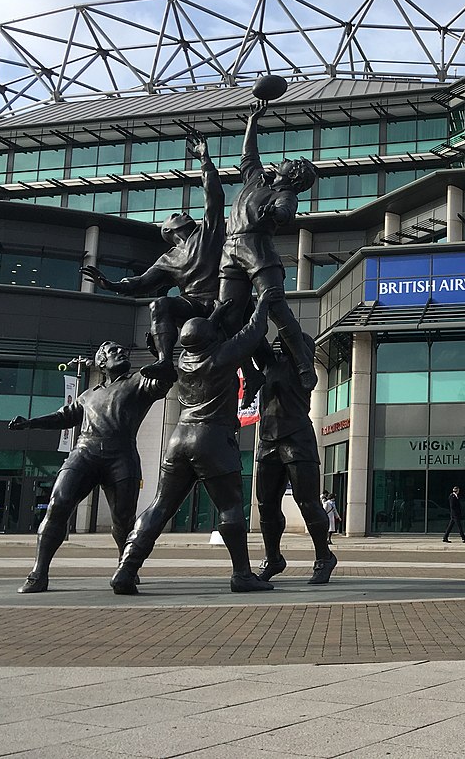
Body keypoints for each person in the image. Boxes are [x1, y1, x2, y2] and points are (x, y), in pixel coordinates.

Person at [110, 296, 274, 595]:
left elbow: (200, 334)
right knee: (230, 507)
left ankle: (126, 569)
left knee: (159, 506)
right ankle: (242, 574)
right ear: (213, 338)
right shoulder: (222, 355)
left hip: (179, 437)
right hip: (211, 438)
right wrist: (263, 302)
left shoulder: (183, 360)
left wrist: (217, 313)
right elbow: (255, 329)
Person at [8, 342, 171, 593]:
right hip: (85, 452)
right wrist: (31, 423)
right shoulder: (87, 395)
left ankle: (125, 567)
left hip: (122, 454)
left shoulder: (139, 381)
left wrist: (162, 356)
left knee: (123, 520)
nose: (121, 352)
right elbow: (63, 416)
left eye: (123, 350)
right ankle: (38, 573)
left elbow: (164, 381)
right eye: (114, 350)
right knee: (58, 504)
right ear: (101, 362)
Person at [81, 135, 224, 382]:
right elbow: (141, 282)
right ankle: (164, 361)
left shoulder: (207, 234)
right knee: (159, 304)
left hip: (220, 298)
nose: (183, 212)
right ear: (168, 231)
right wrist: (111, 285)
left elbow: (214, 197)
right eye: (175, 215)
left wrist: (205, 160)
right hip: (193, 305)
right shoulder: (167, 259)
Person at [218, 100, 319, 391]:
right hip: (230, 250)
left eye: (290, 162)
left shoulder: (285, 194)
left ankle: (303, 364)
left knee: (275, 306)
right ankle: (252, 370)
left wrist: (276, 213)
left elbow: (286, 213)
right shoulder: (256, 179)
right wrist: (252, 121)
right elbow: (248, 155)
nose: (283, 160)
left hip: (257, 250)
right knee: (227, 313)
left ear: (294, 174)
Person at [253, 334, 337, 586]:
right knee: (266, 504)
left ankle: (324, 557)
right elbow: (253, 335)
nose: (281, 344)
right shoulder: (269, 363)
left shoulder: (305, 370)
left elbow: (290, 334)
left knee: (308, 502)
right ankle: (273, 558)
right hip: (268, 439)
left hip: (297, 439)